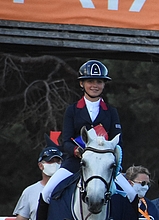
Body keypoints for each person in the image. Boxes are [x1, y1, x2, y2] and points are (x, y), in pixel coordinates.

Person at [41, 60, 135, 204]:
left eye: (99, 82)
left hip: (103, 164)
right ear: (81, 84)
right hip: (76, 162)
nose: (94, 86)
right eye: (90, 81)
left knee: (131, 194)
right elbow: (65, 141)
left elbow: (118, 142)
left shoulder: (111, 112)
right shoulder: (72, 110)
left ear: (104, 85)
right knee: (46, 192)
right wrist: (76, 151)